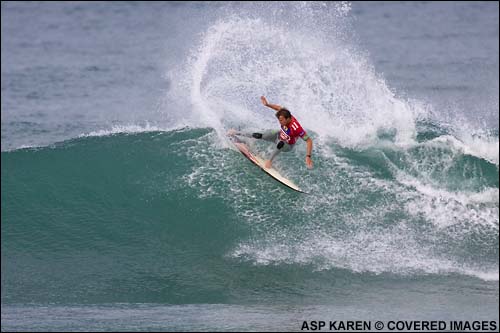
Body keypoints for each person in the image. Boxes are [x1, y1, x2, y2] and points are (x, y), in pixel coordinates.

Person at [229, 96, 313, 169]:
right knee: (259, 135)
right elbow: (279, 108)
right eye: (279, 120)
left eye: (281, 120)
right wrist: (267, 104)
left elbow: (309, 141)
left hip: (287, 145)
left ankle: (269, 161)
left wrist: (308, 156)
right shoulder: (285, 113)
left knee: (281, 143)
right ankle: (236, 132)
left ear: (288, 119)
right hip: (278, 135)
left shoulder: (296, 128)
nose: (280, 122)